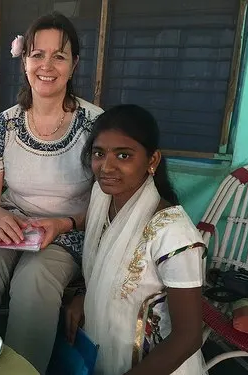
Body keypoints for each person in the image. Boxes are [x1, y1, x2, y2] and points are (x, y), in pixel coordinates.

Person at [0, 12, 103, 374]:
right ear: (24, 61)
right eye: (37, 55)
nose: (47, 66)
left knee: (35, 283)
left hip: (68, 233)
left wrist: (63, 223)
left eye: (59, 56)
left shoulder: (96, 125)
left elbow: (107, 207)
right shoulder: (4, 124)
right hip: (9, 227)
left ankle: (22, 370)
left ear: (74, 64)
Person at [66, 104, 206, 374]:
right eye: (99, 153)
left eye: (123, 155)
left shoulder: (173, 234)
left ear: (152, 161)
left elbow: (188, 337)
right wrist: (84, 296)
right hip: (103, 352)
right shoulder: (102, 198)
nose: (106, 167)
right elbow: (104, 265)